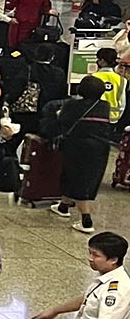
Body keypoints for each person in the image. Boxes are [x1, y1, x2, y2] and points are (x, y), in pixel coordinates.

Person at [45, 74, 116, 233]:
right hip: (101, 148)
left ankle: (86, 220)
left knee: (79, 180)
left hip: (78, 146)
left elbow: (62, 121)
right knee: (81, 177)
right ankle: (63, 207)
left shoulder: (72, 105)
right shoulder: (104, 106)